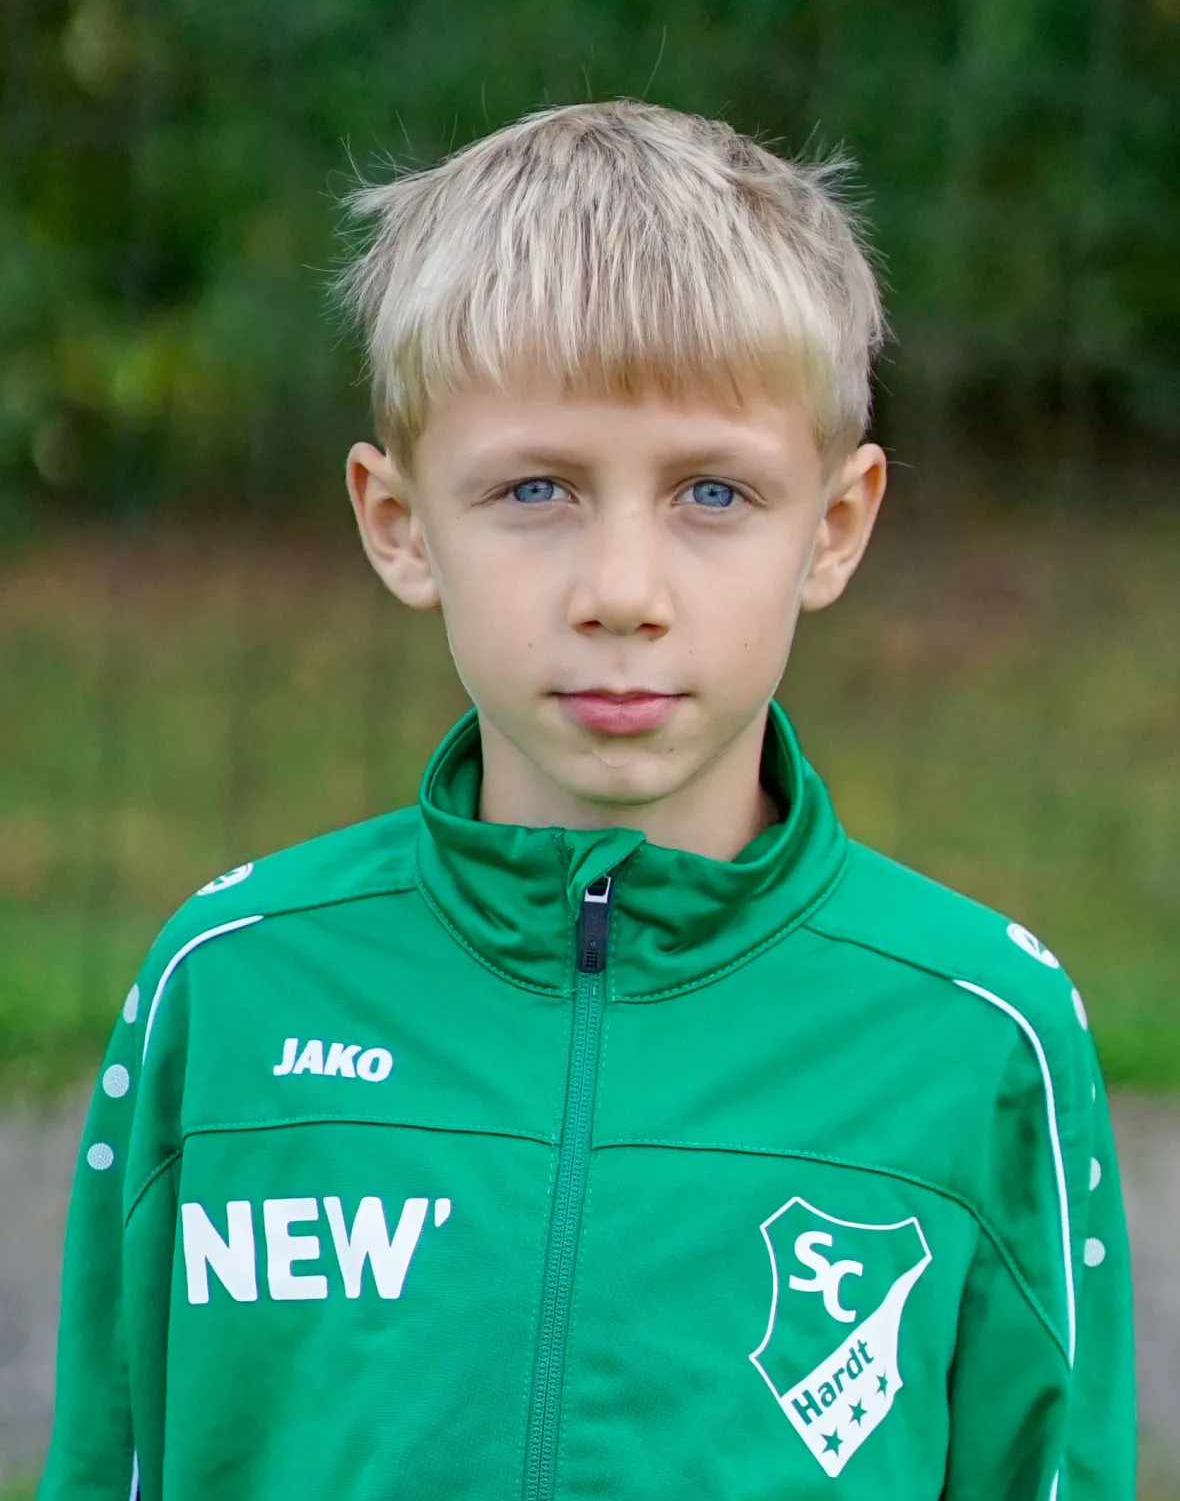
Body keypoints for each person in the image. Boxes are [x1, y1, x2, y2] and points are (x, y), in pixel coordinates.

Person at [39, 100, 1134, 1501]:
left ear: (836, 527)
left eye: (714, 494)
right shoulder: (230, 986)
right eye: (537, 489)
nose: (622, 592)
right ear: (399, 523)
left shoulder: (980, 1027)